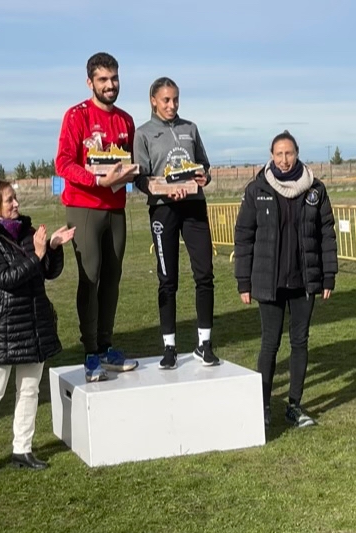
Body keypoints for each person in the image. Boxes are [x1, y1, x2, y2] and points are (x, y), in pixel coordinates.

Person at [0, 180, 75, 478]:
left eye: (16, 198)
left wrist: (51, 248)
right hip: (1, 327)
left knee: (29, 389)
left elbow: (48, 273)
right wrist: (37, 255)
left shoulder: (26, 231)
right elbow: (5, 277)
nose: (16, 204)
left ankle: (22, 449)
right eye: (10, 200)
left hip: (33, 323)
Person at [233, 131, 338, 428]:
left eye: (288, 153)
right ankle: (263, 406)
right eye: (278, 154)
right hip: (268, 282)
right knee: (270, 344)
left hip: (303, 281)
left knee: (300, 342)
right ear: (271, 155)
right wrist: (244, 281)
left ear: (297, 154)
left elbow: (325, 234)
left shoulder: (314, 189)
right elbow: (244, 236)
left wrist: (328, 276)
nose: (283, 159)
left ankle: (294, 405)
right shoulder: (258, 189)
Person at [55, 52, 139, 382]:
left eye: (114, 79)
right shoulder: (76, 116)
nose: (110, 85)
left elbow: (131, 163)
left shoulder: (126, 120)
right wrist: (96, 181)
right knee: (90, 277)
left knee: (112, 278)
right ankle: (89, 353)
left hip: (115, 210)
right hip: (85, 207)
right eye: (103, 80)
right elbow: (63, 163)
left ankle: (106, 347)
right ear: (90, 82)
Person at [133, 77, 219, 369]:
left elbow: (204, 166)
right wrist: (165, 189)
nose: (172, 105)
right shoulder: (143, 133)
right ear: (153, 101)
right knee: (168, 279)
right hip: (163, 210)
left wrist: (204, 177)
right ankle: (169, 347)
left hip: (194, 206)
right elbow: (140, 178)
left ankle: (204, 344)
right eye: (166, 100)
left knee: (204, 274)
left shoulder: (190, 128)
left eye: (176, 100)